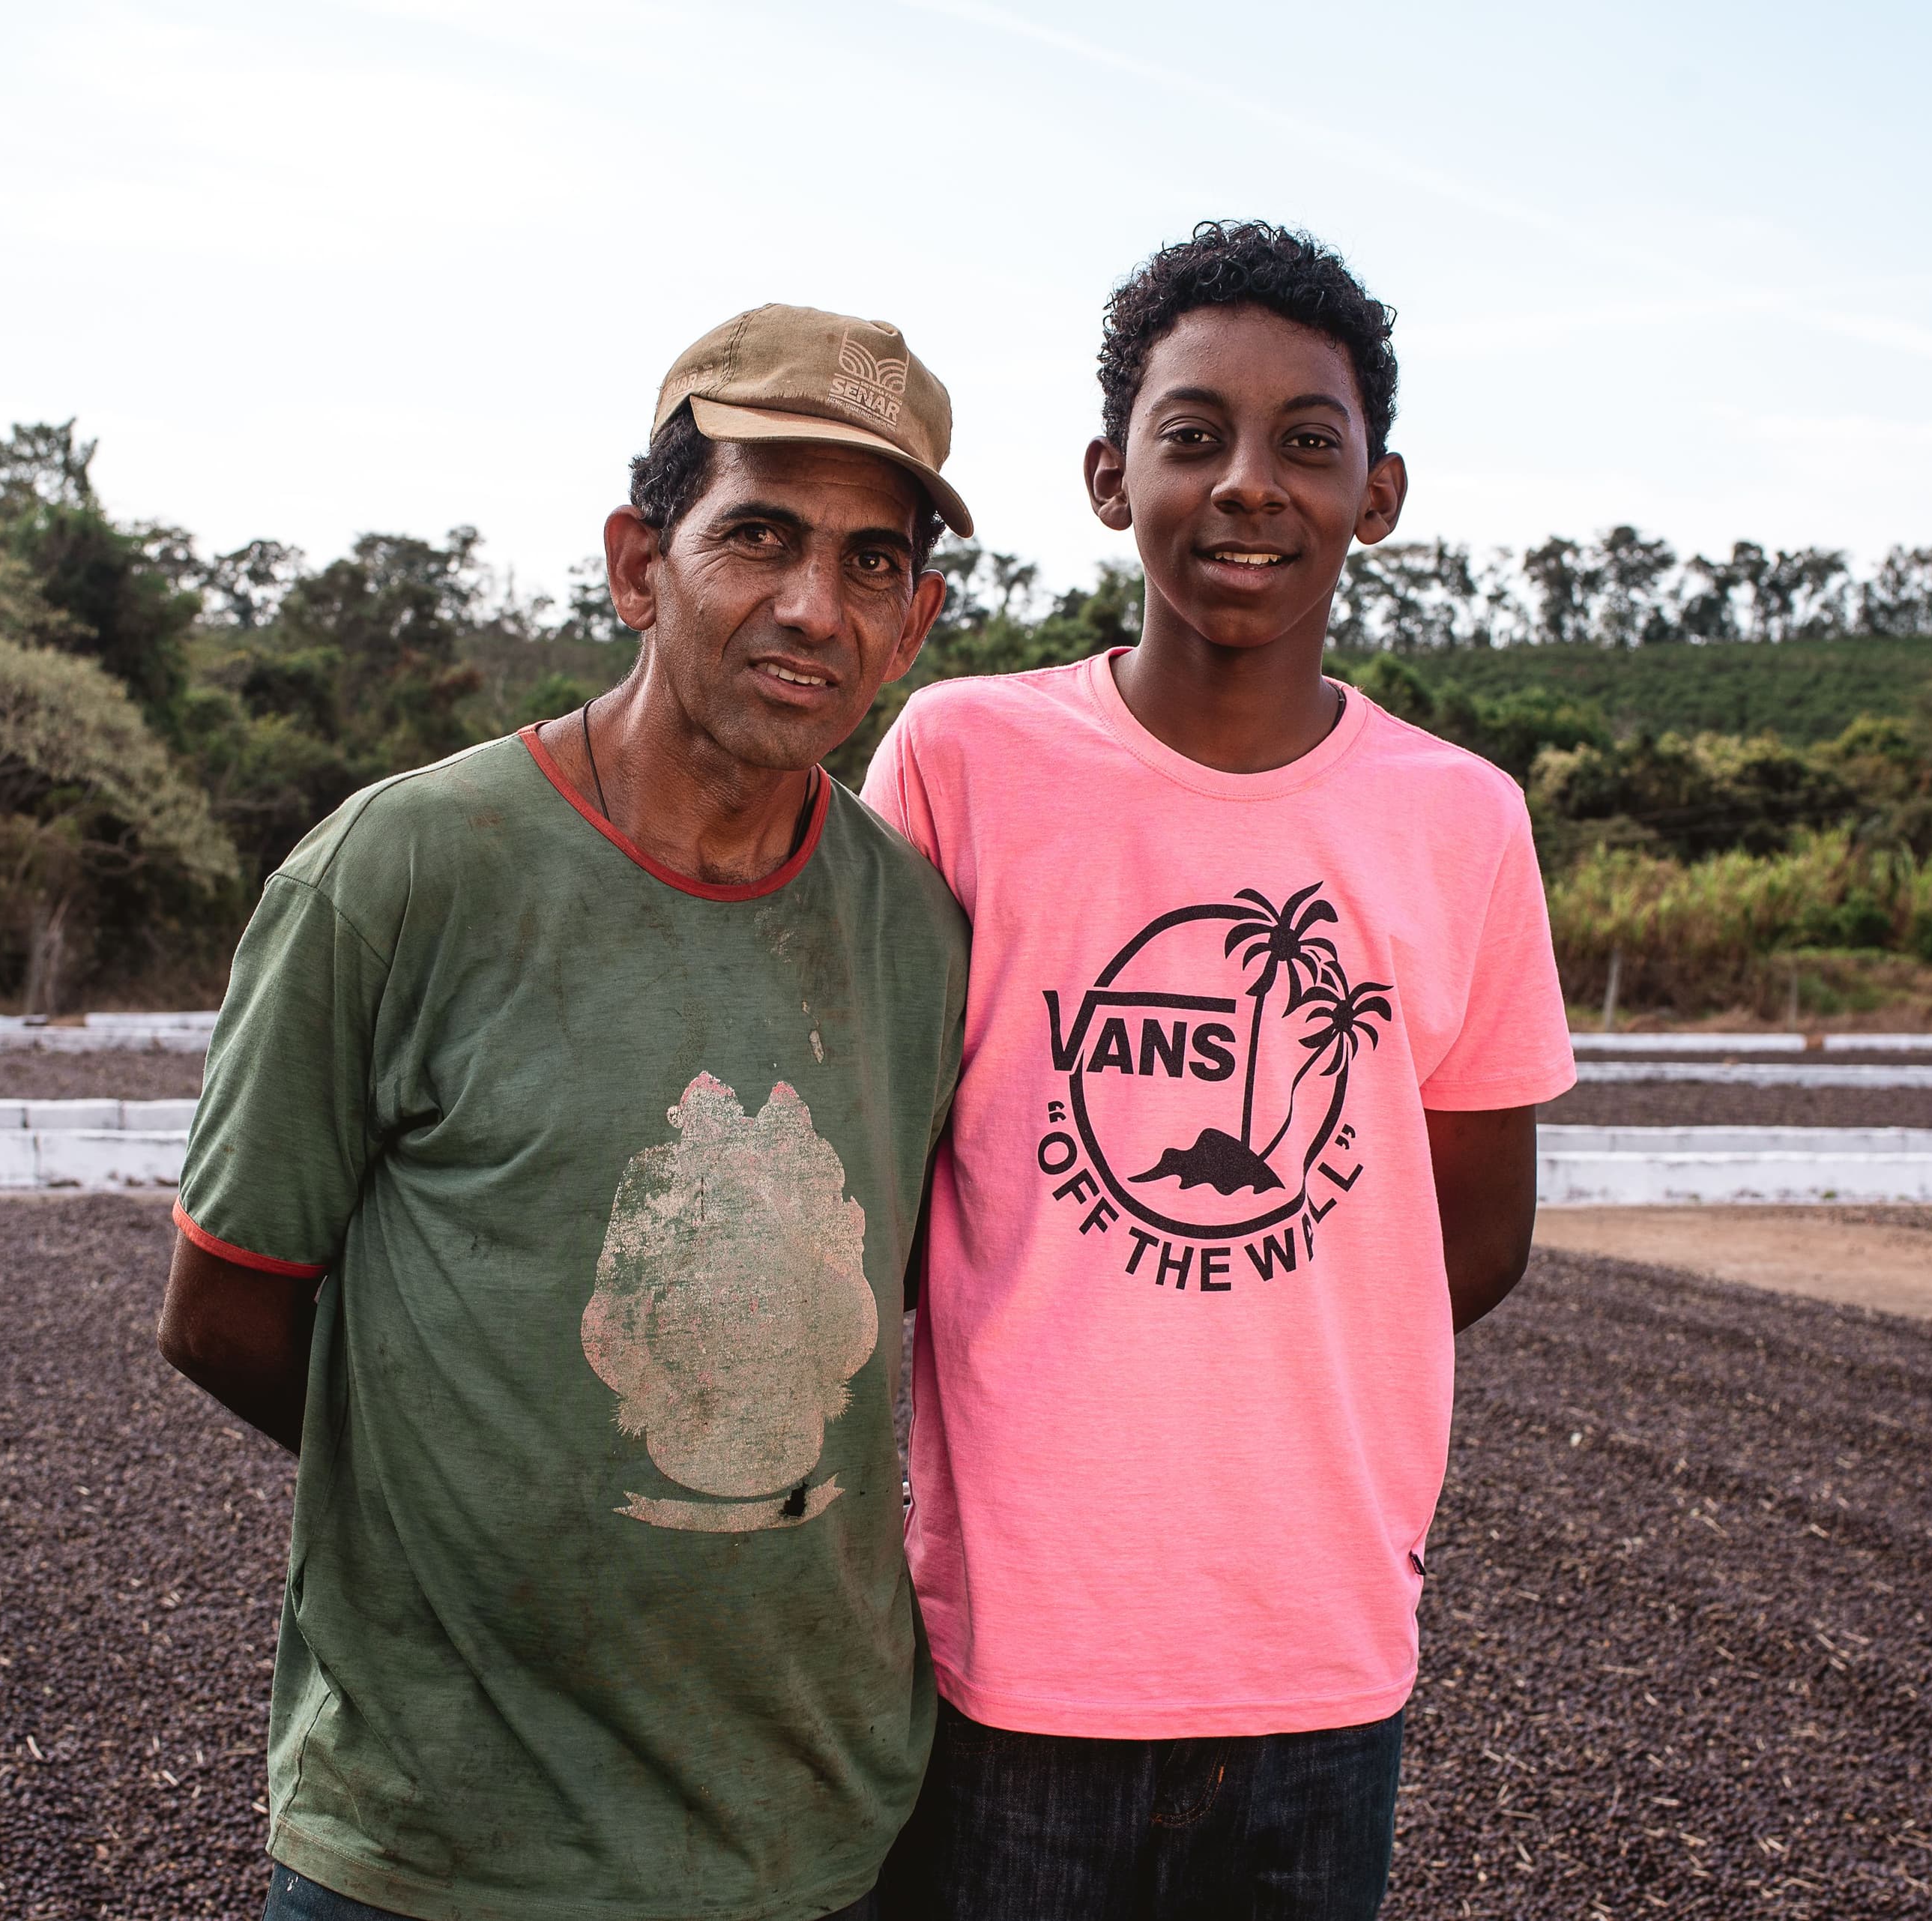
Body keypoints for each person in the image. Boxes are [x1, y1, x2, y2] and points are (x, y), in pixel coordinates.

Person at [156, 304, 975, 1921]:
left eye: (873, 563)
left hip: (814, 1842)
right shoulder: (401, 876)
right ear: (636, 560)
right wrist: (492, 1502)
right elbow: (224, 1310)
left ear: (919, 621)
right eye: (759, 534)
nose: (814, 605)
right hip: (438, 1848)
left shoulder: (916, 929)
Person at [863, 223, 1577, 1918]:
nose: (1249, 483)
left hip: (1320, 1660)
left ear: (1378, 495)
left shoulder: (1462, 820)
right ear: (1112, 479)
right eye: (1195, 436)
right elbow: (876, 1183)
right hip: (1007, 1663)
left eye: (1306, 442)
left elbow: (1464, 1238)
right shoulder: (963, 760)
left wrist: (1247, 1328)